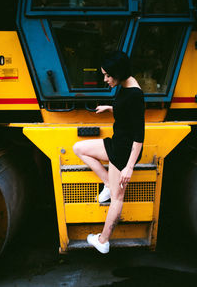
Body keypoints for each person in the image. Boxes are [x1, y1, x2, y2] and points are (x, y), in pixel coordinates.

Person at [73, 51, 145, 254]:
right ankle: (106, 181)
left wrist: (129, 167)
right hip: (116, 143)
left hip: (124, 151)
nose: (105, 80)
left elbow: (139, 136)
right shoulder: (124, 84)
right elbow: (126, 109)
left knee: (117, 197)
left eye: (107, 75)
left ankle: (103, 240)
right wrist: (110, 107)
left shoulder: (135, 95)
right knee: (79, 149)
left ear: (119, 73)